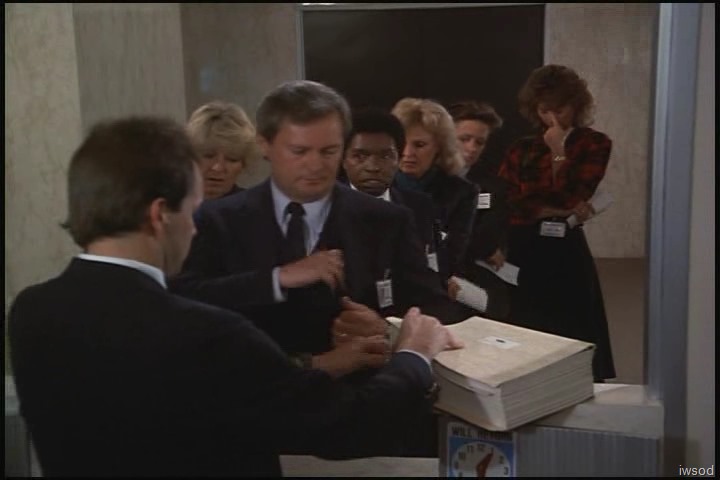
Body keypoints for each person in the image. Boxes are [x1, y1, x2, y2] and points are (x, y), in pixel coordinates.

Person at [7, 115, 463, 476]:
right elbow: (344, 425)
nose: (194, 228)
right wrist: (413, 355)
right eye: (193, 212)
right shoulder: (206, 333)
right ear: (160, 215)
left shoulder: (32, 310)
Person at [169, 81, 475, 369]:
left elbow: (436, 307)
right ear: (265, 145)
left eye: (328, 151)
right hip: (257, 394)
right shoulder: (217, 219)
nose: (315, 165)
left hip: (364, 395)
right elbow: (182, 303)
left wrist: (386, 328)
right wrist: (278, 278)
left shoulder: (387, 219)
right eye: (299, 151)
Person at [497, 64, 616, 381]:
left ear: (575, 106)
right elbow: (510, 201)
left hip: (565, 245)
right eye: (544, 110)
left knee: (574, 321)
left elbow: (572, 195)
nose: (552, 118)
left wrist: (559, 153)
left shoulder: (594, 143)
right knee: (525, 321)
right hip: (523, 243)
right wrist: (551, 207)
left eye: (559, 109)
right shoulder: (521, 148)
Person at [391, 98, 479, 283]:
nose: (407, 153)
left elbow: (453, 253)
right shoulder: (375, 185)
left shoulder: (462, 192)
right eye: (401, 142)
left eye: (419, 145)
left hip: (433, 281)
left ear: (440, 147)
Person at [341, 108, 440, 268]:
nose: (373, 167)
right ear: (343, 160)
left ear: (399, 160)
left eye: (386, 156)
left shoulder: (420, 206)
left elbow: (432, 266)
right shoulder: (323, 210)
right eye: (360, 156)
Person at [447, 100, 511, 320]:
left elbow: (495, 228)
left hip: (477, 272)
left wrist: (494, 248)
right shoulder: (426, 179)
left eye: (479, 142)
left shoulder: (492, 184)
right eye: (464, 139)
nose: (472, 148)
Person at [186, 101, 258, 200]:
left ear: (243, 164)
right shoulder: (168, 204)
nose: (218, 168)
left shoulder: (256, 207)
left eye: (232, 159)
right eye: (209, 155)